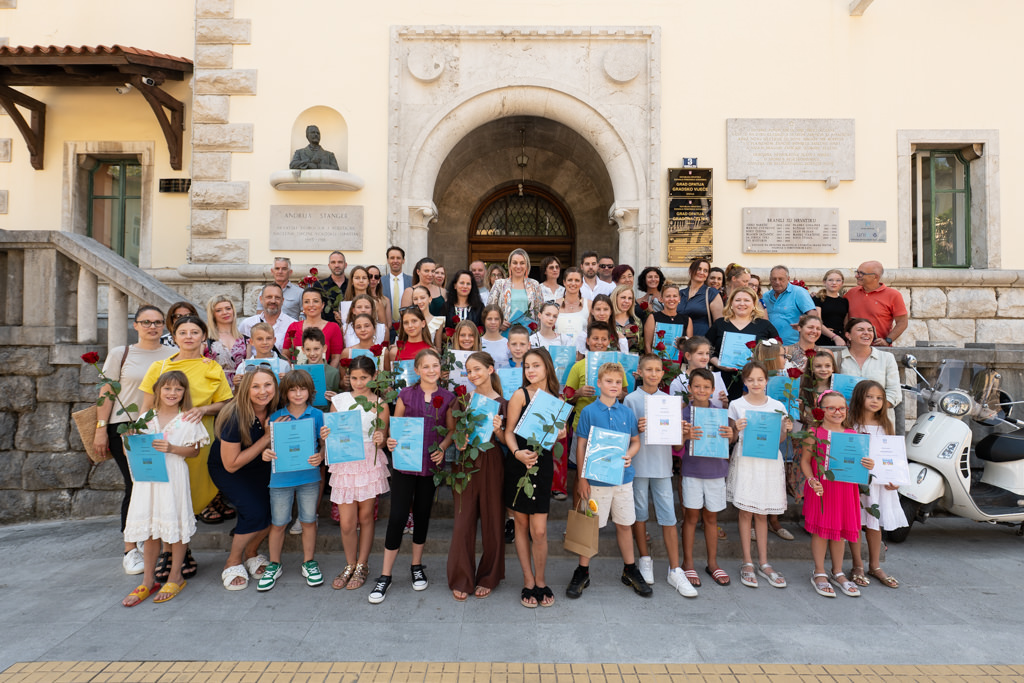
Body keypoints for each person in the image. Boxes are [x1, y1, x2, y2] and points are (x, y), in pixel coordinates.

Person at [95, 305, 176, 576]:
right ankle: (130, 548)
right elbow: (107, 393)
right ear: (136, 325)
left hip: (158, 427)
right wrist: (100, 428)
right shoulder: (121, 353)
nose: (153, 327)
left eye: (157, 322)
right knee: (134, 484)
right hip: (125, 428)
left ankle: (147, 536)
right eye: (146, 322)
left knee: (156, 485)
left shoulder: (172, 354)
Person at [370, 349, 456, 604]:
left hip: (430, 465)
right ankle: (385, 575)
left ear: (441, 368)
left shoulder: (449, 397)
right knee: (397, 516)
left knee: (421, 514)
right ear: (416, 370)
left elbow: (451, 431)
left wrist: (443, 447)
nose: (431, 370)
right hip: (405, 465)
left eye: (435, 365)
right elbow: (395, 427)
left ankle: (416, 565)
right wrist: (391, 441)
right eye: (425, 366)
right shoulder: (405, 394)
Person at [140, 316, 233, 539]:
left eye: (194, 332)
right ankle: (172, 547)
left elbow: (225, 403)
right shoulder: (159, 367)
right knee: (167, 494)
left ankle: (183, 543)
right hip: (164, 438)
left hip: (199, 439)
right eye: (183, 333)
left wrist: (204, 409)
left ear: (203, 337)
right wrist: (140, 434)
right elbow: (147, 406)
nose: (189, 337)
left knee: (195, 490)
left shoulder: (212, 367)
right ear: (174, 337)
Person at [121, 370, 208, 606]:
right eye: (167, 388)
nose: (172, 393)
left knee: (175, 525)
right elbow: (134, 451)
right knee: (150, 528)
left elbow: (194, 451)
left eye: (178, 389)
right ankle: (148, 580)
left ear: (184, 392)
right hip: (148, 478)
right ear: (157, 390)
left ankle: (175, 576)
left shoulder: (188, 418)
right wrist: (130, 438)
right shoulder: (146, 418)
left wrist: (172, 448)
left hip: (173, 475)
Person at [566, 361, 648, 599]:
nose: (614, 385)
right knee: (590, 526)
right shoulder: (589, 412)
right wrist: (582, 478)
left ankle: (629, 569)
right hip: (596, 481)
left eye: (618, 382)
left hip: (623, 480)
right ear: (599, 383)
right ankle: (582, 571)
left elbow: (635, 441)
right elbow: (581, 445)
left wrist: (629, 454)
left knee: (624, 524)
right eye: (609, 381)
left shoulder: (627, 412)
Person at [626, 355, 695, 597]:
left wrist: (683, 434)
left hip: (663, 467)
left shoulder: (670, 402)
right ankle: (644, 559)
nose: (653, 374)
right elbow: (625, 435)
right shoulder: (631, 399)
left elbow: (676, 446)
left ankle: (675, 569)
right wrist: (636, 428)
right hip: (638, 466)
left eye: (657, 370)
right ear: (639, 372)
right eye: (649, 370)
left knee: (668, 517)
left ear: (663, 373)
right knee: (639, 514)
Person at [503, 348, 565, 607]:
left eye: (536, 365)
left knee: (539, 530)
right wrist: (517, 453)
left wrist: (560, 433)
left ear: (547, 367)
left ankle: (541, 580)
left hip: (542, 465)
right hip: (519, 465)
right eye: (527, 366)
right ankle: (528, 581)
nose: (530, 370)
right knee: (521, 524)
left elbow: (557, 435)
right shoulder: (521, 395)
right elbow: (508, 432)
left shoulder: (556, 399)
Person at [208, 367, 280, 590]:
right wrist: (267, 438)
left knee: (276, 512)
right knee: (254, 511)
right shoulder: (234, 415)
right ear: (245, 389)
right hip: (230, 469)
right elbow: (231, 464)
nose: (263, 391)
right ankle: (232, 561)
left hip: (261, 466)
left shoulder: (276, 409)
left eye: (267, 385)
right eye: (255, 386)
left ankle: (251, 553)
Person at [325, 355, 391, 590]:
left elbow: (383, 439)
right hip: (345, 462)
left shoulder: (380, 404)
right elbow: (332, 433)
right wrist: (325, 436)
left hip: (367, 462)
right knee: (347, 522)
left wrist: (380, 437)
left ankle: (362, 564)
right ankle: (349, 563)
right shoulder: (339, 401)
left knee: (366, 517)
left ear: (374, 377)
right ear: (348, 378)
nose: (359, 382)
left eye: (364, 377)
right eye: (354, 378)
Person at [257, 371, 325, 591]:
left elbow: (324, 445)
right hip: (280, 479)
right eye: (292, 390)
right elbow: (268, 447)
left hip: (309, 477)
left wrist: (321, 454)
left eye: (302, 389)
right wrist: (265, 453)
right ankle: (274, 563)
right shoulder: (275, 417)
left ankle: (309, 562)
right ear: (285, 392)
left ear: (310, 391)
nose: (298, 394)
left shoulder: (317, 415)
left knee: (308, 521)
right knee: (278, 523)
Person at [447, 352, 507, 601]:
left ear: (491, 369)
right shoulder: (463, 400)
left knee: (493, 521)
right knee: (463, 521)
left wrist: (499, 430)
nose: (472, 375)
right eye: (469, 371)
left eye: (477, 369)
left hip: (492, 462)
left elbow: (507, 441)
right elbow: (453, 431)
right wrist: (459, 440)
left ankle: (489, 576)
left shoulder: (503, 403)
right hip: (465, 463)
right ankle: (462, 577)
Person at [727, 360, 792, 590]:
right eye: (751, 379)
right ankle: (747, 562)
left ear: (767, 381)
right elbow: (731, 438)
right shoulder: (736, 405)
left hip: (769, 462)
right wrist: (735, 428)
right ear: (744, 382)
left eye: (760, 379)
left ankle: (764, 563)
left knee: (763, 513)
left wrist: (785, 429)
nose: (756, 383)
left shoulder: (778, 406)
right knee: (746, 512)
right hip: (746, 461)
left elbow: (781, 440)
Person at [801, 391, 870, 598]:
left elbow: (858, 463)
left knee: (839, 530)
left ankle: (838, 571)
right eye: (831, 408)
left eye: (841, 408)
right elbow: (805, 461)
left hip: (845, 489)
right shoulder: (813, 432)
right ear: (821, 410)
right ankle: (819, 571)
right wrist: (812, 480)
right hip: (821, 488)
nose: (837, 412)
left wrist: (868, 464)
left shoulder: (852, 434)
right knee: (821, 531)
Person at [846, 380, 906, 589]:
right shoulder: (849, 424)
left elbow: (894, 456)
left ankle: (875, 565)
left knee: (874, 522)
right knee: (855, 521)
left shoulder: (885, 425)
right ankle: (857, 565)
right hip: (856, 481)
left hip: (879, 483)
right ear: (859, 397)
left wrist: (895, 479)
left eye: (879, 398)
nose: (875, 401)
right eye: (870, 396)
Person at [679, 368, 735, 590]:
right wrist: (685, 435)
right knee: (691, 517)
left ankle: (712, 563)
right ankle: (688, 563)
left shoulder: (720, 413)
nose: (701, 390)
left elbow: (729, 439)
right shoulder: (684, 414)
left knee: (711, 519)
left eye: (706, 387)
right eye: (697, 386)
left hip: (716, 472)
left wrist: (731, 435)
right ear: (690, 389)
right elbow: (675, 447)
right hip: (692, 472)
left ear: (713, 390)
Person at [708, 288, 780, 402]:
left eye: (746, 300)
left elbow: (777, 350)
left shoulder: (765, 325)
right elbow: (705, 349)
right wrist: (719, 363)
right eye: (738, 300)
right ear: (731, 303)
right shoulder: (720, 324)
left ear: (754, 304)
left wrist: (759, 360)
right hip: (723, 379)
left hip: (754, 382)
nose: (742, 304)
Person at [838, 318, 902, 424]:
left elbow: (894, 393)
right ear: (848, 335)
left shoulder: (887, 358)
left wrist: (872, 409)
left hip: (879, 421)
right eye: (860, 329)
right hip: (846, 421)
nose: (866, 333)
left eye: (870, 330)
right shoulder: (837, 358)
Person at [844, 261, 908, 346]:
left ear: (875, 277)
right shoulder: (851, 293)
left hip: (879, 348)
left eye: (861, 273)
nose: (856, 276)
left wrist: (888, 340)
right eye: (857, 272)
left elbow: (902, 322)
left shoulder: (893, 295)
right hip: (853, 348)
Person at [282, 288, 343, 368]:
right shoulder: (293, 327)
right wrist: (292, 371)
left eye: (315, 301)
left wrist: (327, 373)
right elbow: (285, 355)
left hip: (323, 374)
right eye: (307, 302)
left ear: (322, 305)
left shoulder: (333, 327)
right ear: (302, 306)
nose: (311, 305)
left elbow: (336, 357)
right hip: (297, 374)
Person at [487, 248, 544, 326]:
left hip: (528, 332)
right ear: (509, 265)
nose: (518, 266)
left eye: (522, 263)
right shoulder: (499, 284)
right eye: (515, 263)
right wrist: (499, 323)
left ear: (527, 265)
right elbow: (489, 310)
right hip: (505, 331)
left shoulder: (534, 285)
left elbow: (540, 312)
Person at [763, 266, 817, 346]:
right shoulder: (766, 296)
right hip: (770, 346)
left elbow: (813, 314)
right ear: (770, 279)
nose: (777, 282)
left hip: (794, 345)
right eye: (774, 279)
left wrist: (803, 323)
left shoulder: (798, 292)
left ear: (788, 279)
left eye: (781, 279)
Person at [669, 336, 728, 407]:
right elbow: (673, 409)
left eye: (707, 353)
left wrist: (725, 404)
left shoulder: (716, 377)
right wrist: (687, 403)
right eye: (700, 353)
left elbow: (723, 408)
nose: (705, 357)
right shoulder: (679, 381)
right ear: (688, 356)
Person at [240, 283, 298, 352]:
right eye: (269, 297)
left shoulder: (293, 325)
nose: (273, 301)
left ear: (282, 301)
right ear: (261, 299)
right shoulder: (247, 324)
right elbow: (241, 352)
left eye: (277, 297)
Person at [205, 295, 246, 384]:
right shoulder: (205, 339)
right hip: (215, 386)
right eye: (219, 310)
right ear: (212, 315)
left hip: (240, 387)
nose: (225, 312)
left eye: (228, 308)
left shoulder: (245, 339)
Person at [679, 258, 724, 339]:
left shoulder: (712, 293)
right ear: (691, 271)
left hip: (701, 341)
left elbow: (719, 324)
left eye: (705, 271)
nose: (702, 272)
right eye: (699, 269)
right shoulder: (680, 293)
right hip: (679, 341)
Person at [643, 283, 689, 357]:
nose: (671, 299)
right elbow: (647, 345)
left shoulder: (687, 320)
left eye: (675, 296)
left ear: (679, 299)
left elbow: (689, 348)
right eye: (668, 296)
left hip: (679, 362)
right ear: (661, 299)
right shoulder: (653, 318)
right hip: (656, 361)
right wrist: (652, 362)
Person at [576, 295, 628, 359]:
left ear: (611, 311)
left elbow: (624, 362)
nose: (602, 313)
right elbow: (579, 360)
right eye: (598, 309)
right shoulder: (583, 336)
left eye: (605, 309)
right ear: (592, 311)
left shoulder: (619, 338)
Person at [301, 327, 341, 407]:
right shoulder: (299, 372)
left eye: (316, 349)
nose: (312, 354)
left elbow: (338, 398)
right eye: (308, 349)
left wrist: (335, 398)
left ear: (324, 348)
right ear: (303, 350)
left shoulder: (333, 373)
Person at [814, 269, 849, 346]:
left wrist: (846, 338)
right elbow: (817, 322)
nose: (834, 283)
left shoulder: (844, 301)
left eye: (838, 280)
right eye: (830, 280)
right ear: (824, 282)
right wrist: (834, 337)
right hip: (823, 337)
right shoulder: (818, 299)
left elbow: (845, 324)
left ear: (842, 283)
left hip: (841, 339)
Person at [554, 267, 589, 345]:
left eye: (577, 280)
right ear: (564, 282)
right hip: (558, 349)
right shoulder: (554, 304)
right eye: (570, 280)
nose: (573, 283)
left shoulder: (589, 304)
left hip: (581, 350)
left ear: (582, 283)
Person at [312, 251, 349, 323]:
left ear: (345, 265)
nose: (336, 265)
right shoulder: (319, 285)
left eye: (340, 262)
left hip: (349, 326)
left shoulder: (352, 284)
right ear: (329, 266)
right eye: (333, 262)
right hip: (325, 326)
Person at [383, 246, 413, 325]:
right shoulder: (380, 282)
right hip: (386, 325)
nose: (395, 261)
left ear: (403, 260)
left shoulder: (412, 281)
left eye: (398, 258)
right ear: (388, 260)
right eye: (392, 258)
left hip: (407, 325)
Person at [611, 284, 643, 354]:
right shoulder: (607, 321)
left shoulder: (637, 322)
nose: (627, 301)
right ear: (615, 299)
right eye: (623, 297)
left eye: (630, 298)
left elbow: (640, 346)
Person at [479, 305, 510, 369]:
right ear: (484, 320)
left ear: (501, 321)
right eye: (489, 319)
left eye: (496, 319)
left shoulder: (507, 343)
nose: (493, 322)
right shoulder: (478, 342)